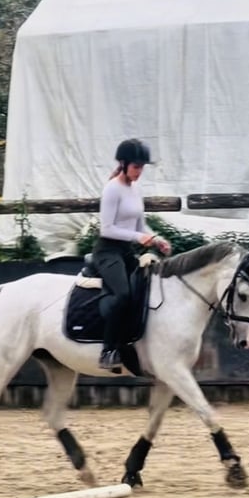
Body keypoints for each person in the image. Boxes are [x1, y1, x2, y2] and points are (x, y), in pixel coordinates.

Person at [93, 138, 171, 369]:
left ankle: (131, 343)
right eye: (136, 167)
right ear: (124, 164)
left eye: (142, 167)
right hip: (107, 252)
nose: (139, 172)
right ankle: (108, 351)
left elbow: (140, 227)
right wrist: (139, 238)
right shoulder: (112, 189)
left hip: (126, 252)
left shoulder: (136, 189)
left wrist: (157, 239)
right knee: (123, 294)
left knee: (145, 292)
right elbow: (106, 228)